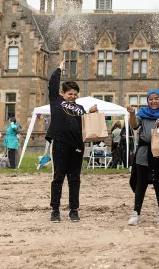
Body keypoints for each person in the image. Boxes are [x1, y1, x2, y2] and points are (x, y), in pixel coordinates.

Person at [46, 59, 98, 223]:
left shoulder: (80, 108)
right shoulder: (56, 101)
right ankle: (55, 210)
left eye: (75, 94)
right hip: (60, 143)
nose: (73, 96)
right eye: (70, 93)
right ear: (63, 94)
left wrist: (90, 112)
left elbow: (83, 124)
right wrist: (58, 70)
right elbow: (52, 85)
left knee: (74, 179)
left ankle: (73, 210)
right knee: (58, 177)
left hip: (77, 146)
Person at [127, 89, 159, 227]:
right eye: (151, 99)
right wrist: (132, 113)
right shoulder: (142, 114)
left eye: (156, 98)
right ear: (147, 100)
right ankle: (136, 213)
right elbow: (134, 126)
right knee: (141, 184)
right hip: (143, 153)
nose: (154, 101)